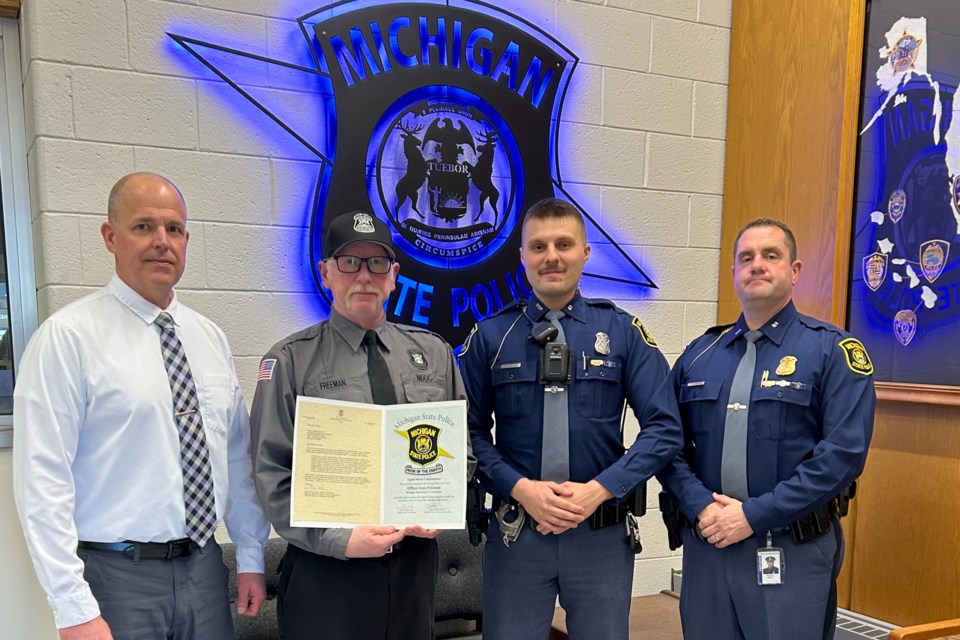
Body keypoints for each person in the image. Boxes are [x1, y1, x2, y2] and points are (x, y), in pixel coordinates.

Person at [13, 173, 271, 640]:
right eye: (143, 227)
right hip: (115, 578)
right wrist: (73, 607)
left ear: (187, 240)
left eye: (173, 229)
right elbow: (41, 481)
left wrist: (251, 556)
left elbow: (237, 457)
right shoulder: (68, 338)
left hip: (204, 569)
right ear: (110, 237)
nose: (161, 242)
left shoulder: (209, 337)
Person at [459, 197, 684, 640]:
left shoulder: (621, 331)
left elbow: (664, 429)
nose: (552, 257)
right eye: (538, 246)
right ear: (521, 255)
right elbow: (465, 434)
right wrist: (521, 488)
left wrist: (599, 491)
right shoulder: (490, 336)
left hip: (599, 534)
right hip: (517, 532)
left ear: (585, 252)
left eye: (564, 244)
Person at [249, 210, 475, 640]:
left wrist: (438, 507)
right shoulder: (290, 360)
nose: (364, 276)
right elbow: (269, 474)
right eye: (349, 262)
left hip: (414, 566)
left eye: (377, 263)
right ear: (326, 272)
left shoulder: (434, 353)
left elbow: (460, 450)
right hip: (329, 572)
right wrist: (338, 540)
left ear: (394, 275)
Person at [658, 218, 876, 640]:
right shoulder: (700, 355)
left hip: (789, 548)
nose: (757, 265)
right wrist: (702, 506)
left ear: (794, 271)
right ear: (735, 273)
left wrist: (752, 515)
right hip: (710, 545)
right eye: (746, 258)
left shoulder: (833, 351)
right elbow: (664, 443)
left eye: (770, 256)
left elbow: (842, 457)